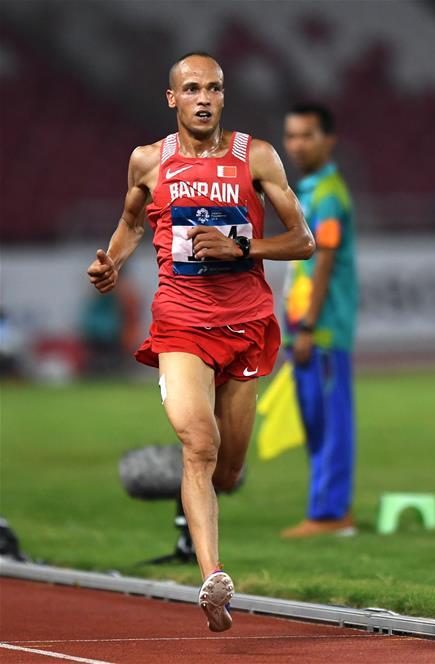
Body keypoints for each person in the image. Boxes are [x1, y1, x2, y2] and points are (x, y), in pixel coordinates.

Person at [86, 52, 315, 632]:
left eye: (213, 87)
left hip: (245, 325)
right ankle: (213, 578)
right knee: (200, 442)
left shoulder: (255, 156)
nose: (204, 98)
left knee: (229, 470)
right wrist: (112, 262)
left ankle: (185, 489)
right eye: (192, 89)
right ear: (173, 99)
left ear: (223, 95)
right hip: (182, 324)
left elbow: (302, 241)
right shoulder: (148, 160)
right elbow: (134, 223)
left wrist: (241, 249)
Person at [280, 103, 358, 538]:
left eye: (307, 135)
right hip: (304, 324)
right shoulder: (309, 191)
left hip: (322, 327)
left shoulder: (328, 194)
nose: (297, 144)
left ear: (329, 140)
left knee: (330, 420)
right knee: (314, 419)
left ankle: (331, 515)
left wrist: (308, 325)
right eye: (291, 136)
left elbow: (324, 258)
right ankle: (327, 509)